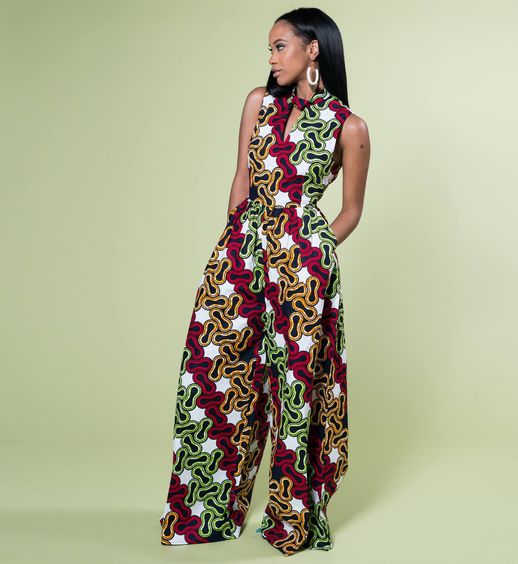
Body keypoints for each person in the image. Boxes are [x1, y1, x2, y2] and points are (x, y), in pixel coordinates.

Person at [159, 7, 370, 557]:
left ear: (312, 49)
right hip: (241, 258)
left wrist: (311, 251)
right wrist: (233, 246)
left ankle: (291, 519)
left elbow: (351, 212)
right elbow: (241, 179)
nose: (271, 58)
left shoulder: (349, 126)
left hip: (303, 273)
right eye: (270, 49)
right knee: (215, 377)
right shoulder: (258, 102)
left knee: (295, 391)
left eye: (280, 46)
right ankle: (204, 514)